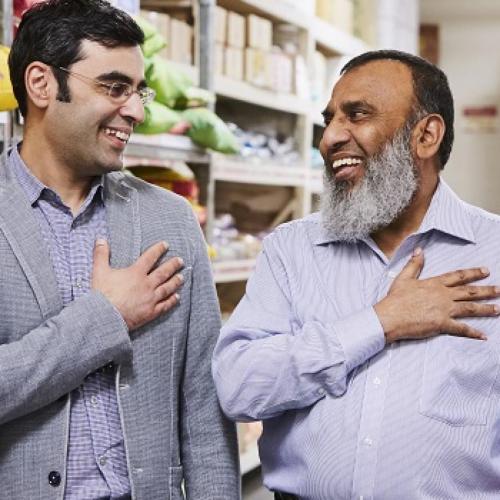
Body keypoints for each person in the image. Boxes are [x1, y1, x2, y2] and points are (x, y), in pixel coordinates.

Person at [212, 49, 500, 500]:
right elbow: (239, 388)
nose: (330, 138)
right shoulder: (292, 250)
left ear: (426, 136)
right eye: (329, 120)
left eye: (357, 115)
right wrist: (379, 323)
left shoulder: (495, 253)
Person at [1, 1, 239, 499]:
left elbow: (202, 405)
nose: (135, 110)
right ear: (41, 84)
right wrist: (104, 316)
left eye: (139, 90)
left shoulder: (169, 218)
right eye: (114, 87)